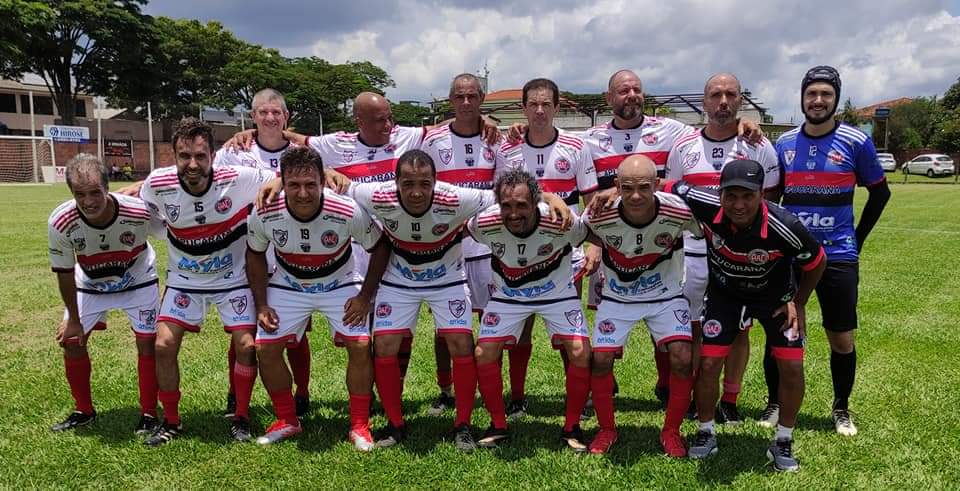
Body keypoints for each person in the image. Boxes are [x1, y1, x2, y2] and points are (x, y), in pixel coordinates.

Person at [227, 91, 499, 393]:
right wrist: (256, 130)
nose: (389, 125)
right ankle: (366, 394)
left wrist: (481, 118)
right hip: (358, 245)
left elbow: (446, 126)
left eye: (390, 117)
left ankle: (393, 386)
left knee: (399, 326)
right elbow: (300, 144)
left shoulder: (406, 137)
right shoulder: (336, 143)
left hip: (397, 244)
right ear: (360, 121)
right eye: (380, 119)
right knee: (367, 326)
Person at [348, 150, 571, 452]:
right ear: (394, 182)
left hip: (447, 280)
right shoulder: (376, 194)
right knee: (385, 345)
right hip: (400, 280)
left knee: (461, 343)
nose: (416, 192)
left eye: (425, 183)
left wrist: (549, 197)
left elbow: (507, 196)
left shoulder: (456, 198)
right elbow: (338, 184)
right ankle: (395, 424)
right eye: (408, 183)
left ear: (436, 182)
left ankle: (462, 424)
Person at [664, 159, 826, 472]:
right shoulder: (704, 201)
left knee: (791, 367)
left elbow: (817, 262)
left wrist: (799, 301)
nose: (738, 204)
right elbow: (666, 187)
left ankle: (783, 440)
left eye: (747, 196)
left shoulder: (785, 226)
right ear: (720, 193)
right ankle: (705, 432)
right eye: (731, 195)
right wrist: (613, 192)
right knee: (709, 363)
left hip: (775, 299)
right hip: (725, 295)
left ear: (762, 194)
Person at [138, 118, 278, 446]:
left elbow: (278, 177)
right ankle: (171, 420)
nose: (192, 164)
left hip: (233, 278)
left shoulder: (238, 178)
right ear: (172, 155)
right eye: (184, 156)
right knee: (163, 345)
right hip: (186, 279)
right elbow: (149, 216)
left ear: (213, 156)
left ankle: (241, 416)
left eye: (200, 156)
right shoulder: (158, 183)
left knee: (246, 346)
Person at [771, 66, 890, 435]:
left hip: (838, 256)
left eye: (825, 94)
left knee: (841, 337)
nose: (818, 100)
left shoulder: (855, 141)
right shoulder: (785, 143)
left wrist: (858, 238)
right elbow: (773, 199)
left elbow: (880, 192)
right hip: (791, 257)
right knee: (782, 329)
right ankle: (774, 403)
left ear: (835, 99)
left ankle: (841, 407)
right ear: (802, 98)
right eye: (811, 94)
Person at [246, 146, 390, 449]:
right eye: (294, 185)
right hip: (289, 283)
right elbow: (255, 253)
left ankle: (359, 424)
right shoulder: (265, 210)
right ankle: (287, 419)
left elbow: (380, 248)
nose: (302, 193)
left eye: (311, 184)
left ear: (322, 182)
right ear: (282, 183)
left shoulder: (346, 210)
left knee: (361, 343)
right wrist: (261, 304)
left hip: (338, 281)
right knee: (266, 347)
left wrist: (364, 297)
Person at [663, 73, 781, 424]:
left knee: (740, 329)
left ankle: (729, 400)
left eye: (731, 95)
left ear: (741, 101)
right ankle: (697, 397)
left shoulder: (758, 146)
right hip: (693, 253)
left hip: (740, 257)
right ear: (704, 102)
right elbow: (671, 197)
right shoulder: (683, 147)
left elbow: (772, 198)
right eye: (716, 95)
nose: (723, 101)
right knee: (695, 327)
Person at [495, 78, 600, 420]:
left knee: (570, 328)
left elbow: (590, 201)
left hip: (565, 253)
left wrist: (594, 244)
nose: (539, 111)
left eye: (546, 104)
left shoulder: (575, 146)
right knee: (520, 326)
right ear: (523, 108)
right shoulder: (506, 149)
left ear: (557, 107)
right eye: (533, 104)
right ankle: (518, 397)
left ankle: (579, 398)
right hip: (517, 252)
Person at [467, 168, 592, 452]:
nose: (514, 213)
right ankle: (497, 424)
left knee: (580, 352)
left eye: (522, 205)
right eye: (507, 206)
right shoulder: (483, 223)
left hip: (557, 293)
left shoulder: (560, 220)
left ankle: (572, 427)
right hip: (508, 296)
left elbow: (590, 235)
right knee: (483, 352)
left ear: (536, 203)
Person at [581, 155, 698, 456]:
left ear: (658, 185)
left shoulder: (679, 210)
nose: (636, 196)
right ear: (616, 186)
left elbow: (711, 223)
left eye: (644, 187)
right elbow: (576, 230)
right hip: (618, 299)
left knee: (683, 358)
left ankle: (671, 431)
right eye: (628, 187)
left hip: (666, 296)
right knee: (601, 360)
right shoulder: (600, 213)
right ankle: (607, 429)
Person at [214, 88, 315, 419]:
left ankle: (302, 394)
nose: (270, 118)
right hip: (248, 250)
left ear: (286, 118)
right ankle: (234, 394)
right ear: (252, 116)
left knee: (296, 333)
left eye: (276, 113)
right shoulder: (234, 151)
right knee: (242, 328)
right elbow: (212, 184)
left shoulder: (303, 151)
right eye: (263, 112)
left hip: (292, 250)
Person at [47, 153, 163, 435]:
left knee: (148, 344)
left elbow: (171, 229)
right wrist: (73, 318)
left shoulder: (137, 211)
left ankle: (148, 413)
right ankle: (83, 411)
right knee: (72, 341)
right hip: (90, 283)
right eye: (80, 194)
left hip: (137, 279)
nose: (88, 201)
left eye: (95, 192)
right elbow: (64, 273)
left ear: (107, 188)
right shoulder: (61, 221)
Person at [418, 73, 498, 417]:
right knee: (444, 328)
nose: (466, 103)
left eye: (472, 97)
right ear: (451, 101)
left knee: (492, 322)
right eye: (459, 97)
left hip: (486, 245)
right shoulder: (432, 139)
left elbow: (503, 187)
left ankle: (491, 386)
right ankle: (446, 389)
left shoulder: (499, 138)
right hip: (446, 244)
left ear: (482, 99)